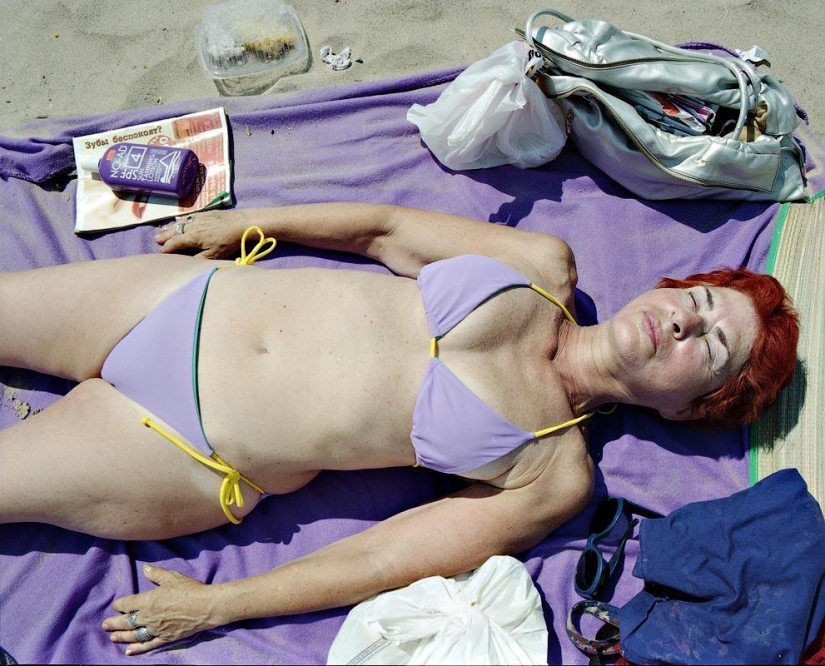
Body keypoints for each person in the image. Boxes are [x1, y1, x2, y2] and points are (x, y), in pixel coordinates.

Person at [0, 203, 799, 655]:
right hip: (176, 299)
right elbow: (381, 229)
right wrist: (248, 221)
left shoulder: (554, 477)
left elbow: (383, 555)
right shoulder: (542, 265)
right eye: (694, 301)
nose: (681, 326)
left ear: (693, 408)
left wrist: (223, 606)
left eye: (711, 346)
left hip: (178, 445)